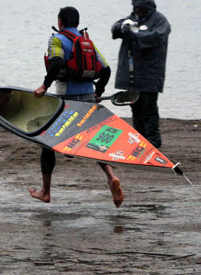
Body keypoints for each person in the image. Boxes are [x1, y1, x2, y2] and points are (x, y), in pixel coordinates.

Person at [29, 6, 124, 208]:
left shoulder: (57, 39)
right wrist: (98, 92)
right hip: (88, 98)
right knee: (93, 141)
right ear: (77, 23)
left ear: (60, 21)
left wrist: (44, 86)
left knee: (47, 143)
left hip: (65, 100)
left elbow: (54, 64)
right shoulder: (86, 42)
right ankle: (110, 176)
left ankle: (45, 192)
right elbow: (106, 69)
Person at [111, 0, 171, 148]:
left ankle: (153, 139)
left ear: (147, 6)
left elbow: (156, 36)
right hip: (132, 75)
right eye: (135, 7)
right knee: (135, 106)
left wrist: (136, 34)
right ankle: (140, 138)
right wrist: (123, 28)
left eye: (139, 7)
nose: (136, 9)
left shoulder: (160, 20)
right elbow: (115, 29)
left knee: (149, 107)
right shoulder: (132, 18)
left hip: (150, 73)